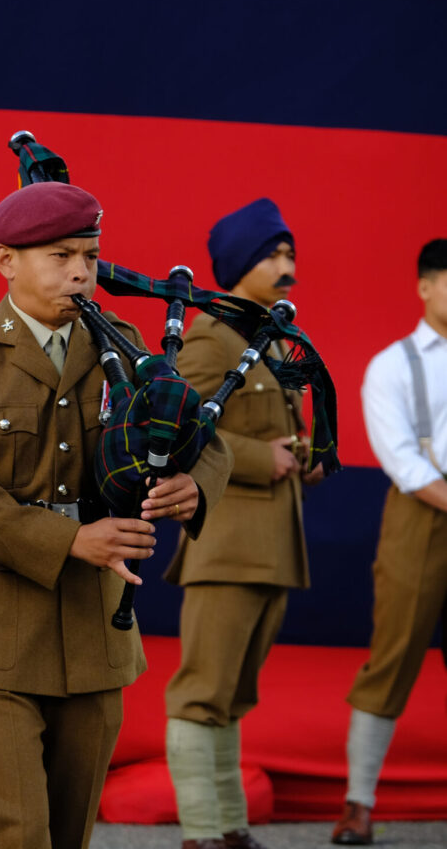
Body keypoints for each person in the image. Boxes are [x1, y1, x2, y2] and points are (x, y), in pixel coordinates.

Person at [0, 181, 233, 849]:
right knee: (18, 833)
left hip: (93, 633)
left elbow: (211, 443)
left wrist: (193, 487)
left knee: (67, 835)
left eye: (88, 253)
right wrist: (72, 537)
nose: (81, 270)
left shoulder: (127, 348)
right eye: (59, 255)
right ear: (6, 261)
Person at [162, 197, 322, 849]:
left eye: (289, 254)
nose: (286, 266)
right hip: (225, 541)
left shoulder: (267, 341)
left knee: (232, 695)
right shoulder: (209, 336)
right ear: (237, 265)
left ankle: (229, 828)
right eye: (271, 255)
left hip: (272, 546)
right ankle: (202, 831)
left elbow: (279, 433)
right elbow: (182, 428)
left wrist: (306, 453)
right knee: (203, 691)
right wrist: (264, 458)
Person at [331, 238, 447, 846]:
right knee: (395, 652)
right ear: (425, 287)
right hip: (423, 514)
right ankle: (358, 802)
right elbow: (402, 460)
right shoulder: (393, 364)